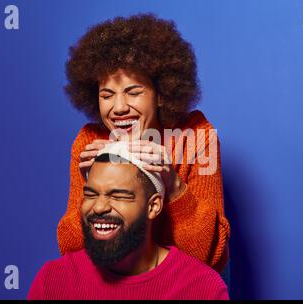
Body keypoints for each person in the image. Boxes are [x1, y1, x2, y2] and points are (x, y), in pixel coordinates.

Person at [58, 13, 230, 273]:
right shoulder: (90, 142)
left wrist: (172, 185)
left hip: (186, 280)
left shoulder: (196, 136)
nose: (118, 108)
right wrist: (90, 188)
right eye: (107, 95)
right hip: (121, 277)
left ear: (161, 95)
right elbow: (70, 250)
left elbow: (207, 256)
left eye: (133, 92)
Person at [28, 143, 229, 300]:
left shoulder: (202, 289)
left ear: (153, 206)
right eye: (90, 194)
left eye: (119, 196)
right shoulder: (52, 281)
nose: (99, 207)